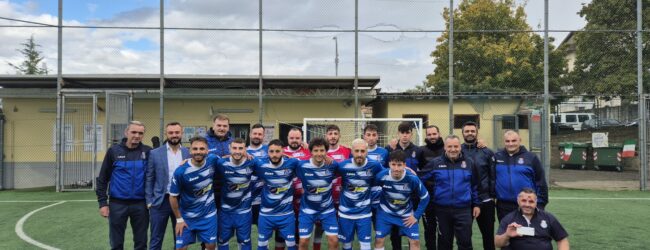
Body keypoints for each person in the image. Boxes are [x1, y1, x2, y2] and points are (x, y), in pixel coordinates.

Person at [96, 121, 152, 250]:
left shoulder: (148, 151)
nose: (137, 135)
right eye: (134, 132)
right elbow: (102, 179)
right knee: (116, 243)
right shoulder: (113, 151)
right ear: (126, 132)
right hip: (117, 204)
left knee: (141, 242)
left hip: (141, 205)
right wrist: (103, 203)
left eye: (140, 133)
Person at [421, 135, 481, 250]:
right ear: (445, 147)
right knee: (444, 243)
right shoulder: (435, 163)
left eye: (456, 146)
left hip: (463, 210)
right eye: (450, 146)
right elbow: (420, 180)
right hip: (442, 210)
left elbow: (475, 185)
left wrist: (477, 204)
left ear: (460, 147)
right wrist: (429, 196)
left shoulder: (469, 163)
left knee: (465, 242)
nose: (453, 149)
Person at [145, 122, 191, 250]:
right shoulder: (155, 153)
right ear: (166, 134)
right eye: (171, 133)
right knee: (156, 238)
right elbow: (149, 178)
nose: (174, 135)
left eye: (177, 132)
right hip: (161, 201)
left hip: (181, 201)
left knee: (181, 238)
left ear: (181, 133)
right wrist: (149, 201)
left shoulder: (188, 153)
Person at [373, 150, 430, 250]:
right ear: (389, 164)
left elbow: (425, 197)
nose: (396, 168)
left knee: (415, 242)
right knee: (379, 240)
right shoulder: (382, 176)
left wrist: (416, 216)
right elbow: (369, 187)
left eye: (399, 165)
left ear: (404, 165)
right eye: (393, 164)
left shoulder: (412, 178)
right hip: (385, 214)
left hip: (406, 215)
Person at [169, 136, 218, 250]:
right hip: (187, 217)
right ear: (190, 150)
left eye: (202, 149)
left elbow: (230, 158)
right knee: (181, 248)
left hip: (208, 215)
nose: (198, 152)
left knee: (211, 246)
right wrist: (179, 219)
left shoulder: (213, 160)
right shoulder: (181, 171)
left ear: (207, 150)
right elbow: (173, 197)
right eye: (195, 149)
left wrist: (245, 155)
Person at [336, 139, 384, 250]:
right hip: (345, 214)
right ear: (352, 151)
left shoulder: (375, 165)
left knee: (366, 246)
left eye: (362, 151)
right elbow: (328, 173)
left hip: (364, 214)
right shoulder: (343, 166)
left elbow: (388, 173)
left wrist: (406, 169)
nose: (359, 154)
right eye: (356, 151)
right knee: (346, 245)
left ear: (367, 151)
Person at [215, 138, 261, 250]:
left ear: (245, 149)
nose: (237, 151)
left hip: (244, 212)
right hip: (225, 211)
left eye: (240, 148)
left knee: (245, 242)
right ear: (229, 149)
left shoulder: (252, 162)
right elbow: (202, 162)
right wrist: (187, 160)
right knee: (222, 241)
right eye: (234, 148)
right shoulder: (221, 163)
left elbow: (271, 161)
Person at [255, 139, 301, 250]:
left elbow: (311, 162)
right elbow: (241, 160)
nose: (274, 155)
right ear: (267, 152)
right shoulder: (260, 164)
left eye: (277, 151)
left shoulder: (292, 163)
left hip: (286, 214)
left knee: (291, 245)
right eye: (271, 151)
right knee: (261, 245)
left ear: (282, 152)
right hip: (266, 215)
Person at [386, 121, 426, 249]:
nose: (405, 136)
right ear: (398, 134)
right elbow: (384, 169)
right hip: (394, 196)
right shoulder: (390, 149)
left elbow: (424, 170)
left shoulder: (418, 151)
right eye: (402, 133)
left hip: (412, 197)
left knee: (411, 229)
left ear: (411, 134)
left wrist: (416, 174)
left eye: (407, 133)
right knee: (395, 231)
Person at [296, 137, 340, 250]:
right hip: (307, 210)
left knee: (334, 241)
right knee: (303, 242)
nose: (319, 154)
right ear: (310, 152)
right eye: (316, 151)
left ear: (326, 151)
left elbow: (347, 170)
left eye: (322, 150)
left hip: (327, 209)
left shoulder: (333, 165)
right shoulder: (302, 166)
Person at [495, 130, 548, 221]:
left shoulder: (531, 157)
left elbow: (541, 181)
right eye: (507, 141)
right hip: (503, 205)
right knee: (507, 233)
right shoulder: (497, 157)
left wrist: (540, 204)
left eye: (514, 141)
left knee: (526, 233)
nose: (510, 144)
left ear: (520, 140)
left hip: (526, 204)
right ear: (504, 142)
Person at [461, 121, 496, 250]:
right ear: (462, 133)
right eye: (467, 131)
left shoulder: (486, 152)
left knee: (488, 237)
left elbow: (493, 175)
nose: (470, 133)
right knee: (464, 237)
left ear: (477, 133)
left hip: (485, 200)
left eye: (472, 131)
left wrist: (492, 196)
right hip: (465, 201)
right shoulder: (457, 150)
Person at [495, 188, 570, 250]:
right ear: (518, 201)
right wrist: (507, 235)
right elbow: (497, 244)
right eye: (523, 201)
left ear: (536, 202)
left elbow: (562, 240)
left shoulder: (548, 217)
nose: (527, 205)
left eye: (531, 202)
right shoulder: (509, 219)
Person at [418, 124, 445, 250]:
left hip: (443, 196)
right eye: (429, 134)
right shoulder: (421, 151)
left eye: (434, 134)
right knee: (429, 229)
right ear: (426, 136)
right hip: (427, 197)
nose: (432, 136)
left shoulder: (448, 149)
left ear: (439, 134)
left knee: (443, 229)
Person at [247, 123, 268, 243]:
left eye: (260, 134)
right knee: (244, 235)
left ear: (263, 136)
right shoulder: (242, 151)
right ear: (250, 134)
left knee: (263, 236)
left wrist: (306, 147)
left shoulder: (269, 150)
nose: (257, 136)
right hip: (246, 201)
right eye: (255, 133)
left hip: (263, 201)